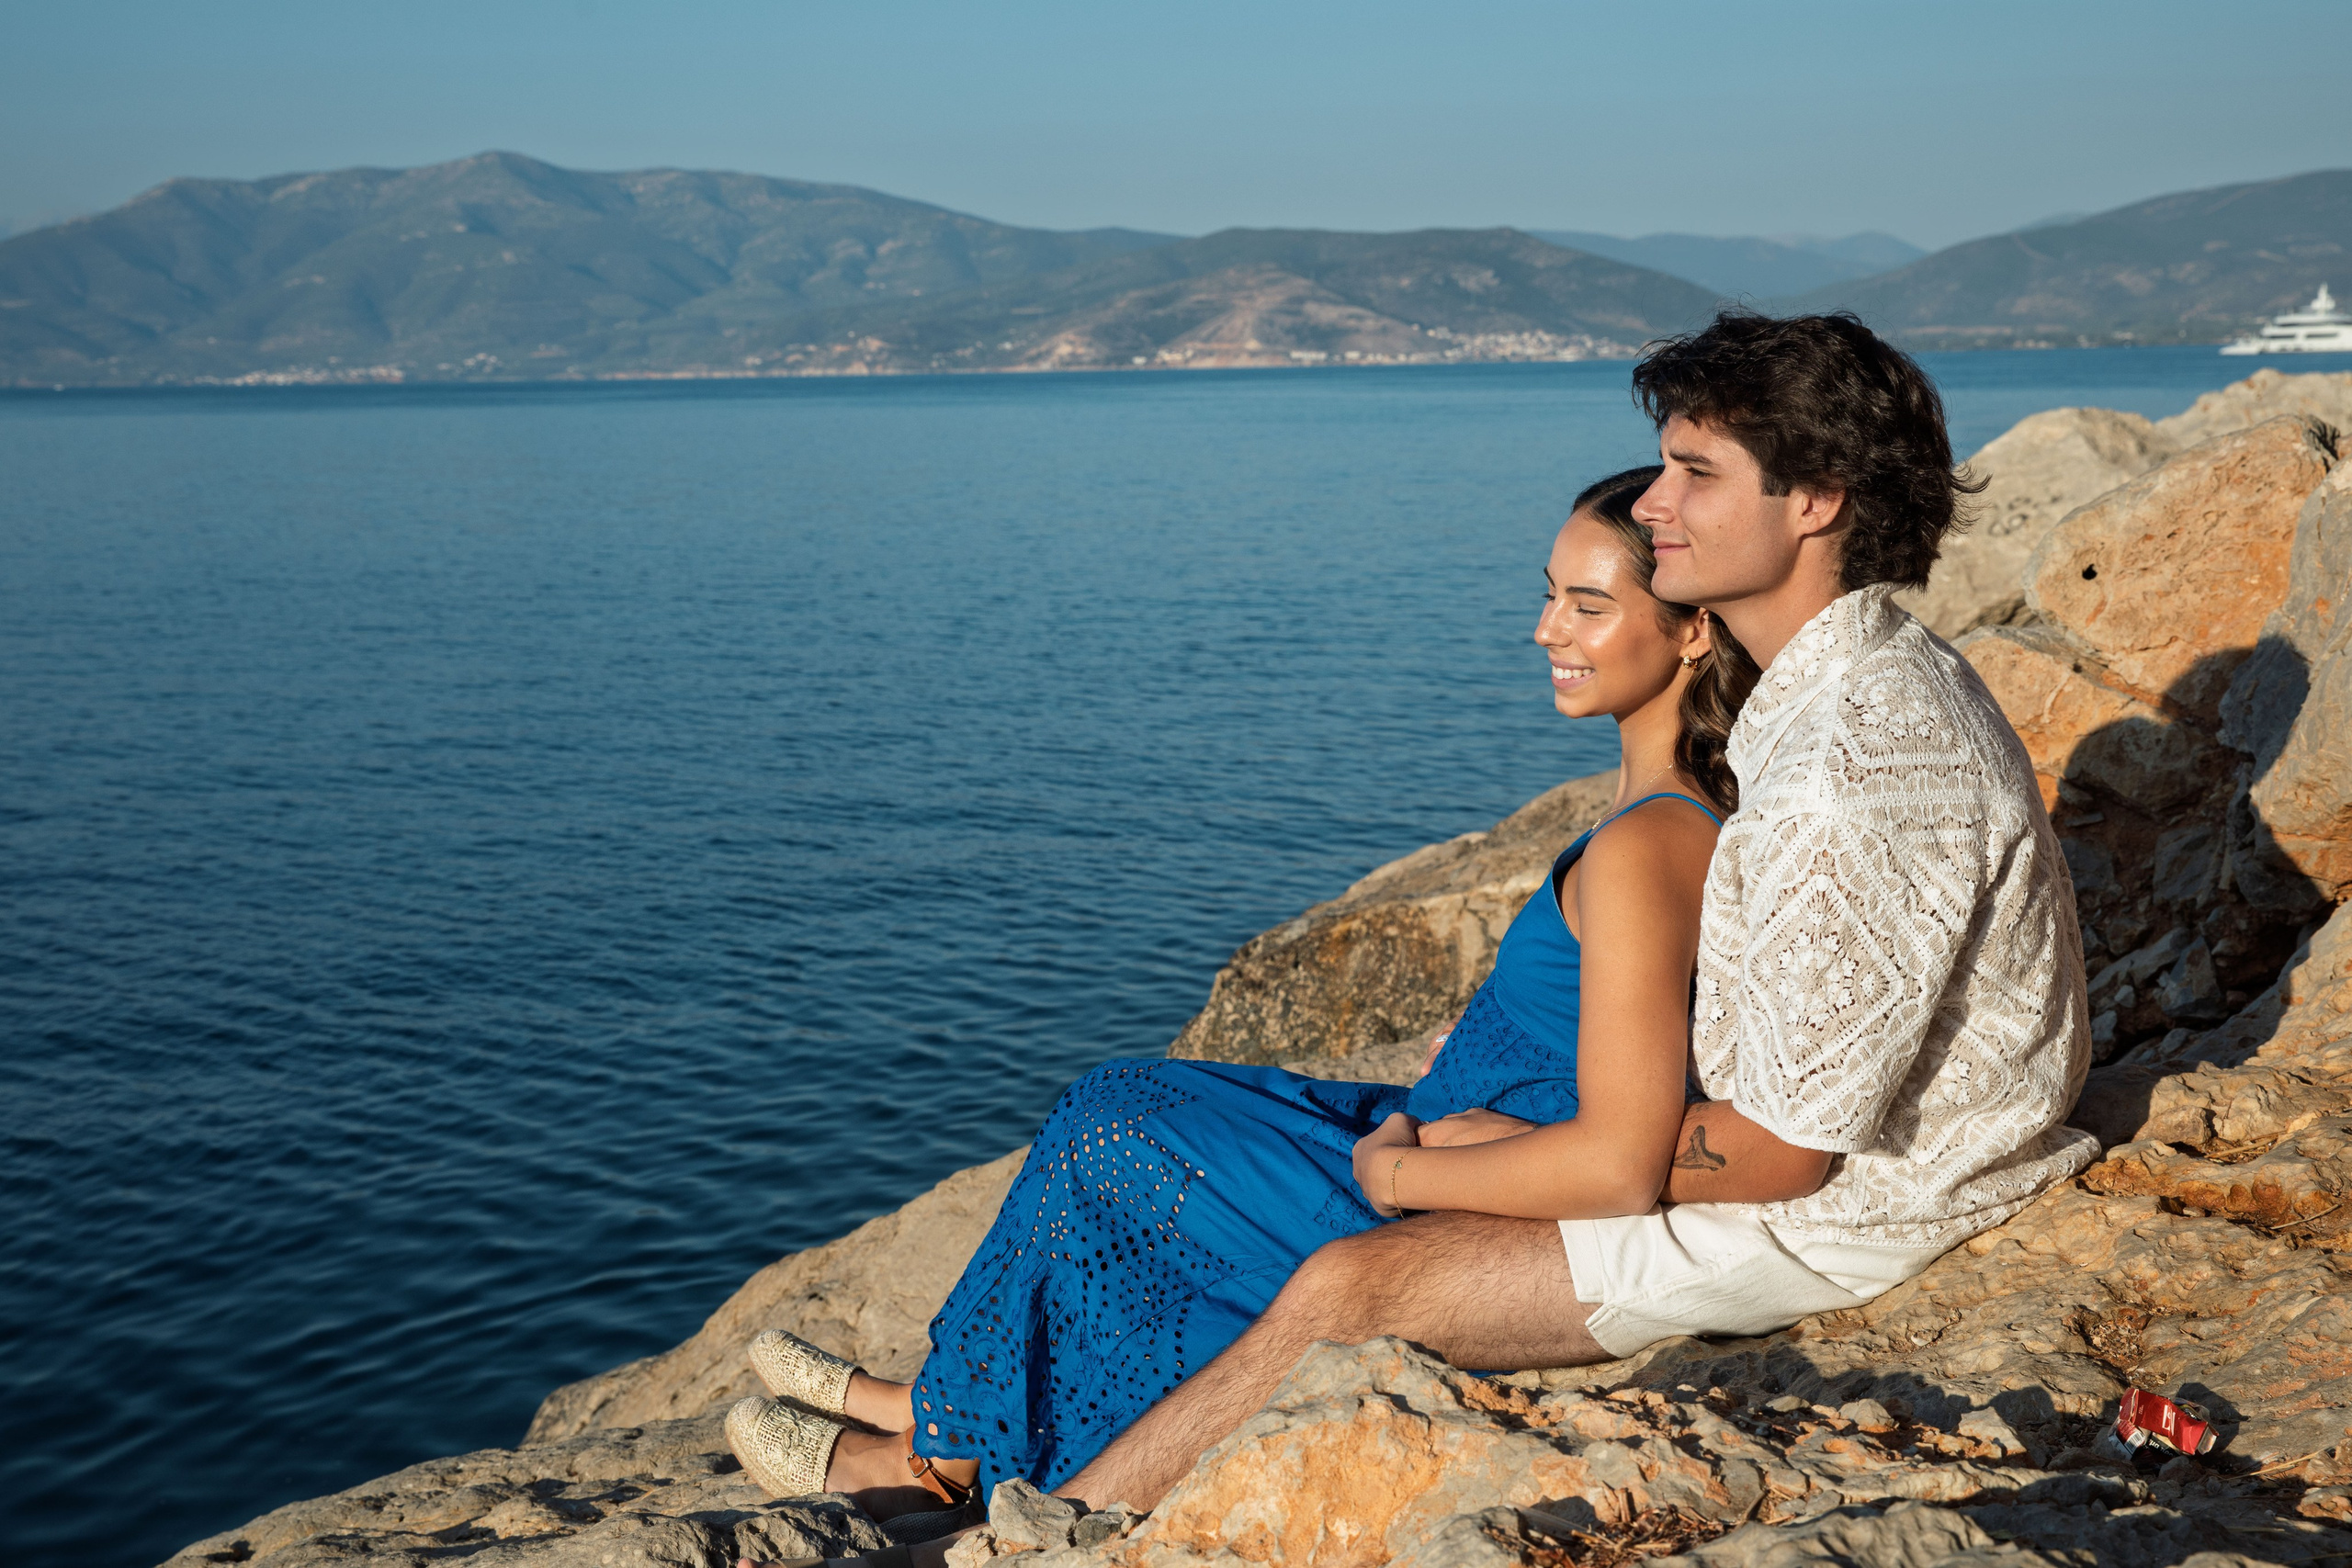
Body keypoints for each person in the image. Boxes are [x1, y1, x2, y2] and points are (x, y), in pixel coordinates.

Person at [720, 463, 1778, 1537]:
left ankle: (932, 1455)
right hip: (1439, 1129)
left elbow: (1617, 1153)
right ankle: (944, 1405)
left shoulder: (1649, 841)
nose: (1547, 628)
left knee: (1113, 1133)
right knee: (1131, 1103)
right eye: (1547, 592)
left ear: (1693, 631)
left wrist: (1399, 1167)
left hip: (1456, 1169)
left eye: (1588, 605)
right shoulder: (1664, 809)